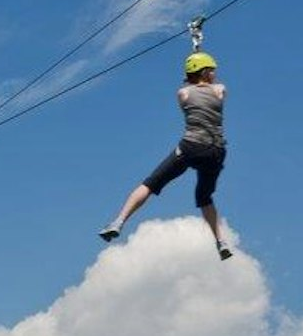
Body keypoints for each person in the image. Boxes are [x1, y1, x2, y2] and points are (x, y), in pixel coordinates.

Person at [99, 47, 233, 260]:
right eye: (212, 70)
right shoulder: (220, 90)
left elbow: (188, 90)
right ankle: (221, 241)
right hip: (216, 152)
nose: (215, 73)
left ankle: (119, 221)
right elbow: (216, 87)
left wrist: (194, 64)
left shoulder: (183, 93)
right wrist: (198, 52)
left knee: (151, 184)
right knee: (204, 197)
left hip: (191, 147)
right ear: (206, 72)